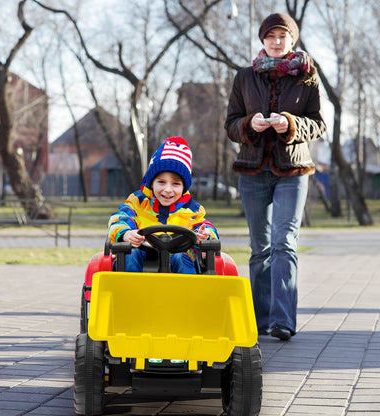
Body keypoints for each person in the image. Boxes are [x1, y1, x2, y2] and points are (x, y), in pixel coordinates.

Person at [225, 13, 326, 341]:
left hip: (293, 172)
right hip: (253, 172)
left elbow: (319, 124)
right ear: (262, 40)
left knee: (285, 243)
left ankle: (283, 321)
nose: (277, 41)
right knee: (260, 248)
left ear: (292, 39)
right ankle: (259, 320)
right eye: (271, 36)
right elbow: (230, 125)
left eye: (283, 36)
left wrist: (292, 124)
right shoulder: (244, 77)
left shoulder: (307, 76)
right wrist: (248, 125)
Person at [108, 136, 219, 274]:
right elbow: (119, 218)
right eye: (161, 182)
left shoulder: (192, 210)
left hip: (178, 259)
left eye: (176, 184)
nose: (167, 189)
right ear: (151, 182)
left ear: (184, 187)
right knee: (130, 255)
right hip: (143, 256)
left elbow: (207, 228)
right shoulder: (138, 202)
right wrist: (125, 233)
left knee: (181, 258)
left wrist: (205, 234)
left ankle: (188, 294)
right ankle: (130, 293)